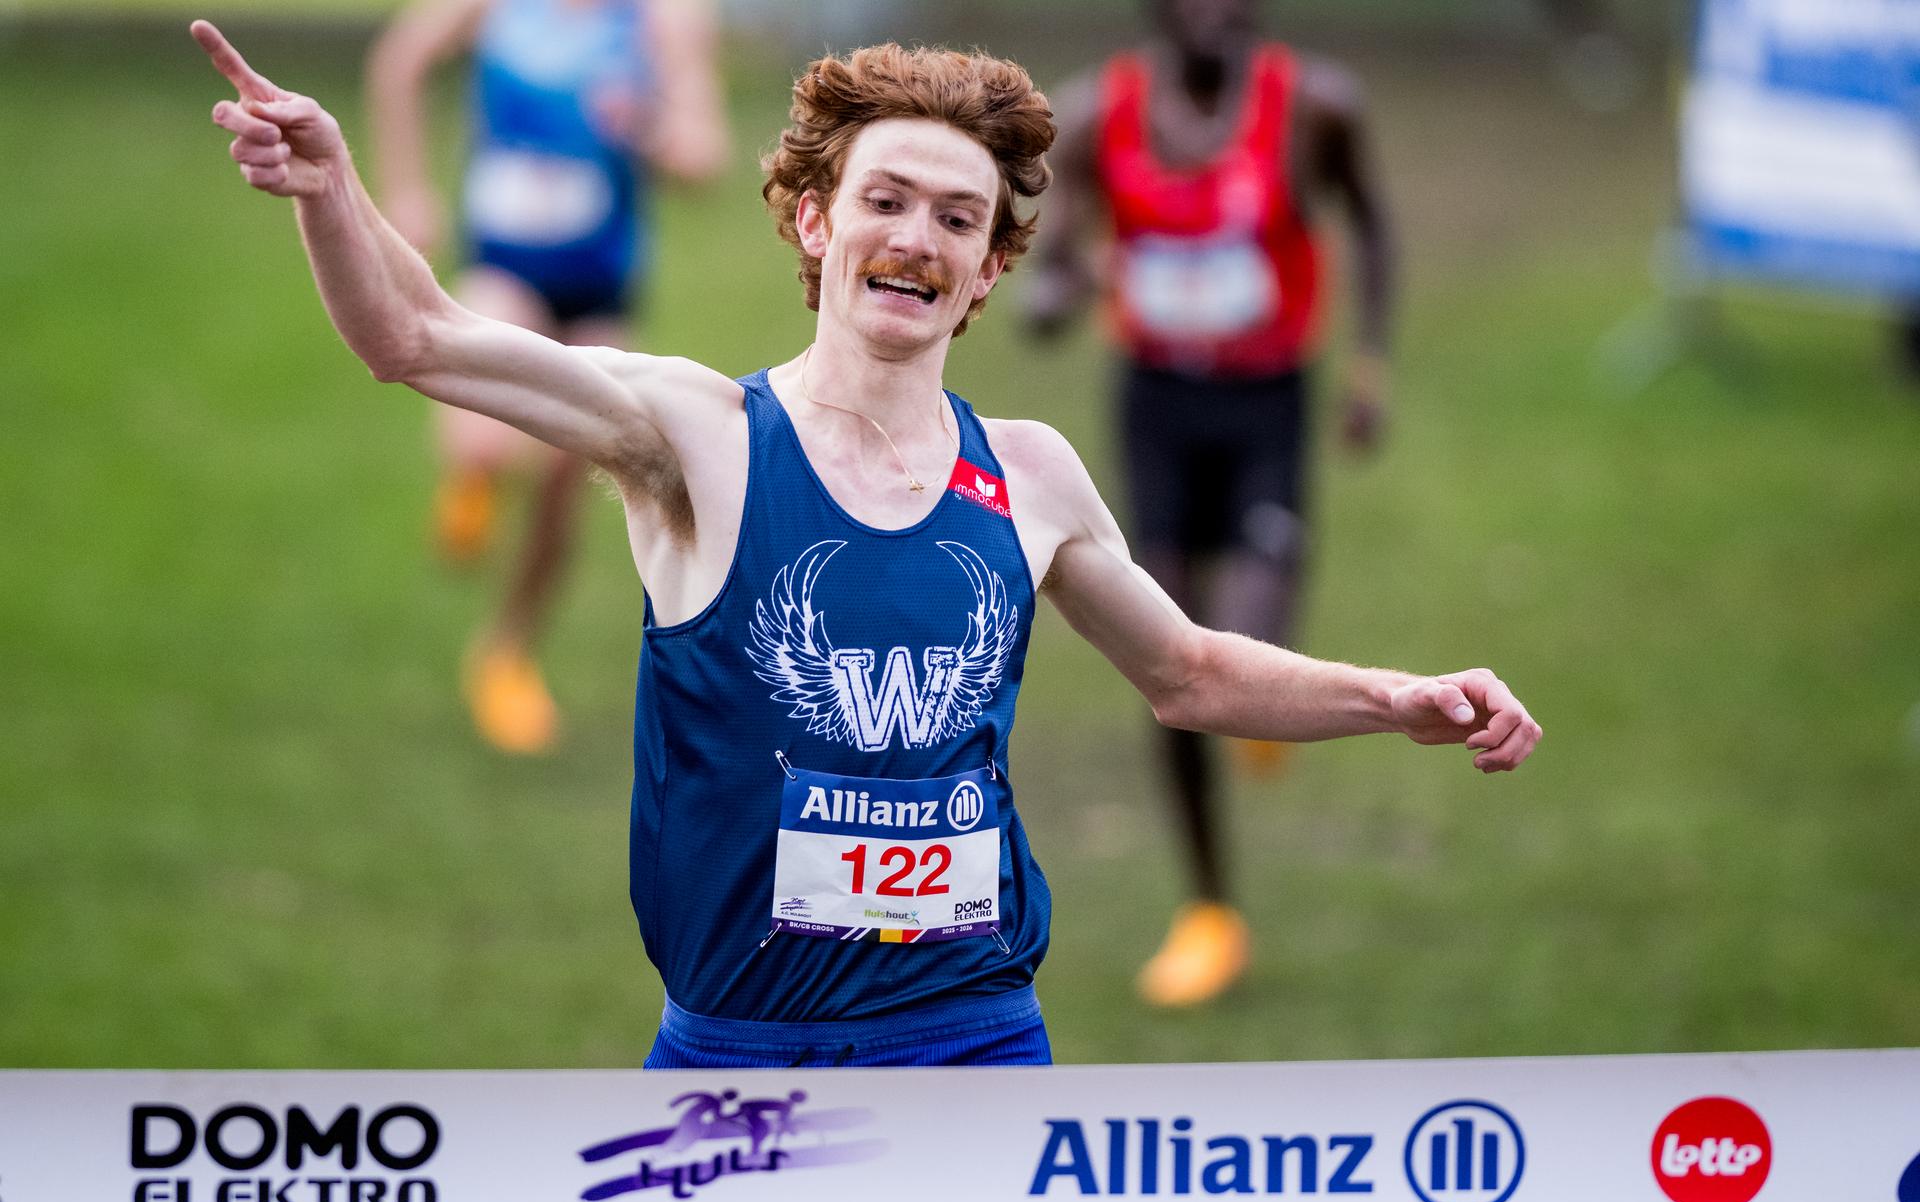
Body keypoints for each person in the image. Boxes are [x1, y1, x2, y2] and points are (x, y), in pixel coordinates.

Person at [193, 22, 1541, 1069]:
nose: (919, 238)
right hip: (737, 1066)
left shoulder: (1029, 476)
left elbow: (1186, 675)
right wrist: (331, 188)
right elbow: (414, 337)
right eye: (886, 200)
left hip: (976, 1041)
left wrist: (1395, 700)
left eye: (959, 219)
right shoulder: (697, 435)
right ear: (813, 220)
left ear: (992, 270)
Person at [1026, 0, 1395, 1008]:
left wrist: (1370, 365)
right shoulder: (1101, 115)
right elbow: (1054, 265)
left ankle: (1268, 696)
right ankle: (1209, 912)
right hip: (1157, 406)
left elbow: (1369, 220)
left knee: (1249, 633)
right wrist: (1054, 292)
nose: (1216, 12)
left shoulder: (1316, 105)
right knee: (1173, 659)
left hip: (1267, 404)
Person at [366, 0, 728, 754]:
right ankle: (475, 479)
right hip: (503, 261)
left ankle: (507, 652)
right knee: (487, 443)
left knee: (571, 478)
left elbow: (706, 157)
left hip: (600, 281)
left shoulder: (665, 18)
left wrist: (649, 128)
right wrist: (405, 192)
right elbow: (398, 63)